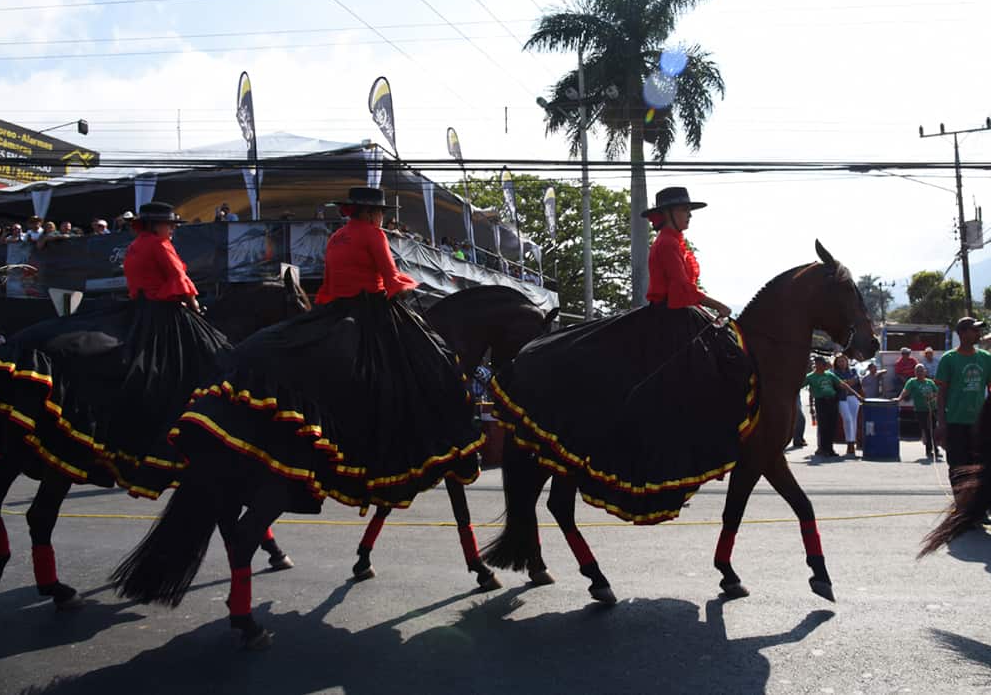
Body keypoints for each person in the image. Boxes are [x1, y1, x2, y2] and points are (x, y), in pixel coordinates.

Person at [169, 185, 481, 523]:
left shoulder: (336, 238)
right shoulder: (374, 235)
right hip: (373, 312)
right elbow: (390, 277)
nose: (382, 217)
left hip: (335, 309)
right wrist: (405, 288)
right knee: (429, 361)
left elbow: (330, 284)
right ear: (371, 212)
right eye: (380, 212)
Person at [0, 202, 234, 604]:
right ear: (161, 225)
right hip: (165, 316)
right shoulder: (158, 244)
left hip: (137, 309)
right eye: (170, 225)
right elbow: (179, 280)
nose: (172, 231)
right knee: (207, 363)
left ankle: (45, 576)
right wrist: (194, 306)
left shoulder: (136, 245)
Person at [489, 186, 755, 524]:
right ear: (669, 214)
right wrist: (717, 304)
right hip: (668, 320)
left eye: (689, 210)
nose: (689, 215)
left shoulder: (677, 242)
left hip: (682, 317)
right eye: (684, 210)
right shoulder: (666, 243)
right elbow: (682, 292)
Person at [935, 317, 991, 508]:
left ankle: (978, 507)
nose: (978, 334)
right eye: (974, 330)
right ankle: (962, 506)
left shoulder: (986, 358)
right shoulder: (949, 359)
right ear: (962, 333)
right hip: (956, 421)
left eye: (978, 330)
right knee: (958, 465)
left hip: (980, 424)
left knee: (980, 466)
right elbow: (941, 394)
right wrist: (941, 424)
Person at [804, 355, 862, 457]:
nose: (820, 366)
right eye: (818, 364)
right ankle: (822, 448)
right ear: (815, 365)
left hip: (832, 401)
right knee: (823, 426)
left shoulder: (829, 375)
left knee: (831, 426)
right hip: (821, 401)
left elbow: (843, 385)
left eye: (822, 364)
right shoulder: (810, 376)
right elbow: (801, 386)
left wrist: (857, 395)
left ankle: (830, 449)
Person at [899, 363, 939, 459]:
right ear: (914, 372)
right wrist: (899, 398)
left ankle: (935, 448)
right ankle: (929, 450)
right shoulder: (912, 382)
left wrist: (932, 397)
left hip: (932, 409)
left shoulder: (930, 382)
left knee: (933, 429)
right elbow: (905, 391)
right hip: (920, 410)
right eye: (917, 371)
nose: (919, 373)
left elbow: (937, 392)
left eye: (921, 371)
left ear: (925, 372)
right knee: (926, 429)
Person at [833, 353, 863, 455]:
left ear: (847, 362)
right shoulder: (834, 372)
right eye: (839, 361)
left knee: (853, 420)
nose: (842, 363)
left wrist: (846, 382)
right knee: (847, 419)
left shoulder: (853, 370)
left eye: (843, 361)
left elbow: (855, 381)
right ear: (836, 363)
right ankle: (849, 441)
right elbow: (840, 384)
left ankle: (851, 443)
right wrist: (847, 382)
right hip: (841, 398)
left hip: (853, 398)